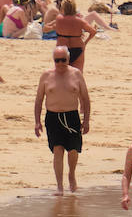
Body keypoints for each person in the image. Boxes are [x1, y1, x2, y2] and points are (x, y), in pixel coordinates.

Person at [34, 46, 91, 196]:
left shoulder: (76, 74)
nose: (60, 64)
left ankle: (71, 174)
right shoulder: (46, 75)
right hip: (53, 117)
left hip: (71, 116)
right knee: (57, 150)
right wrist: (37, 122)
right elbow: (39, 100)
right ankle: (59, 186)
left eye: (63, 60)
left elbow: (85, 99)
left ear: (68, 59)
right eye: (57, 60)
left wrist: (86, 120)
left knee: (73, 150)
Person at [53, 0, 98, 71]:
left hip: (62, 49)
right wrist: (85, 43)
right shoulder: (79, 21)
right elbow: (93, 32)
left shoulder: (59, 19)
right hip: (77, 48)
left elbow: (47, 28)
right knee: (78, 74)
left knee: (61, 73)